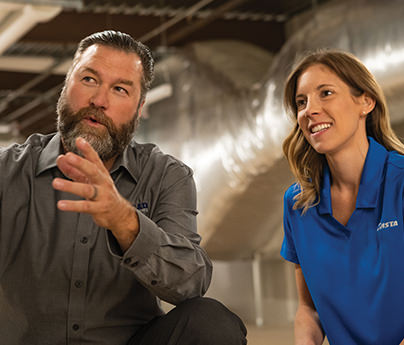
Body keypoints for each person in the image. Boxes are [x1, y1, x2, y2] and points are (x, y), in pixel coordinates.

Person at [0, 30, 247, 345]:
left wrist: (125, 222)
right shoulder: (7, 170)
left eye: (119, 89)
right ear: (66, 86)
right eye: (89, 79)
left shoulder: (165, 175)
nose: (99, 101)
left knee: (210, 322)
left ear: (140, 108)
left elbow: (190, 282)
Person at [280, 49, 404, 345]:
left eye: (326, 93)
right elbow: (309, 311)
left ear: (365, 101)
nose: (310, 109)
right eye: (301, 102)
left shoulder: (400, 182)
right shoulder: (298, 204)